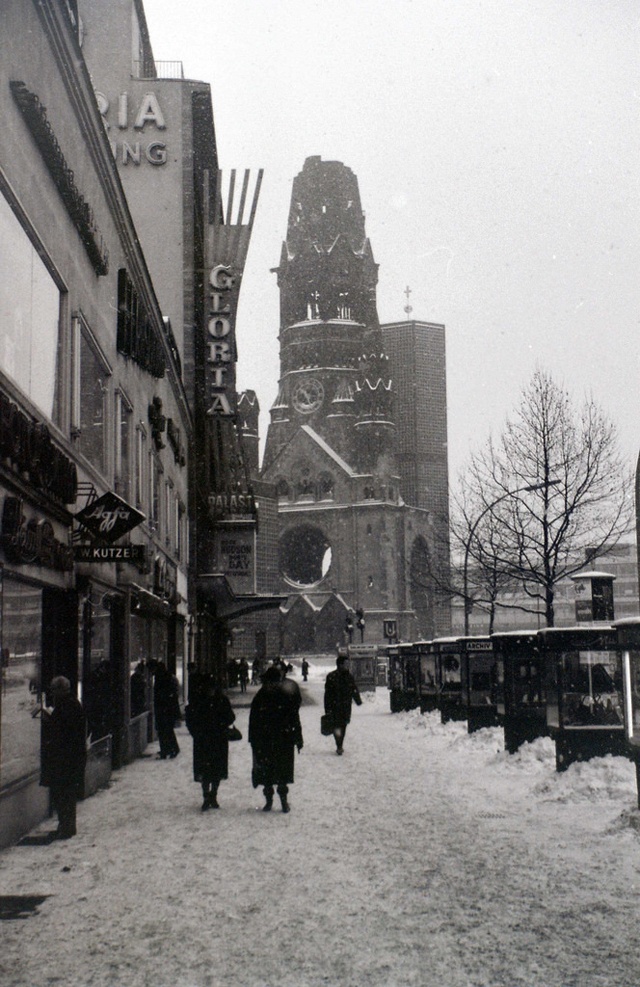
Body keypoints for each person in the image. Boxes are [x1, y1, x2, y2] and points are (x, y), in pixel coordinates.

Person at [249, 666, 303, 812]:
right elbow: (254, 721)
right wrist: (298, 737)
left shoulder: (268, 696)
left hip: (274, 740)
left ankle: (277, 802)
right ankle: (276, 802)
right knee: (274, 774)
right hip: (275, 740)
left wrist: (298, 738)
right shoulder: (269, 697)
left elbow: (294, 718)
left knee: (276, 774)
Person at [40, 676, 87, 839]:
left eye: (54, 690)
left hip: (65, 759)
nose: (52, 693)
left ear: (60, 690)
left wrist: (49, 720)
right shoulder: (73, 704)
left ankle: (66, 827)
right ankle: (67, 826)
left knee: (63, 794)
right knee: (67, 794)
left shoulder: (66, 707)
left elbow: (62, 731)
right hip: (72, 758)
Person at [185, 678, 236, 810]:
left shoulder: (204, 701)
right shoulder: (216, 701)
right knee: (207, 770)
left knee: (214, 770)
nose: (211, 691)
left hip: (213, 740)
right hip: (208, 740)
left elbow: (231, 717)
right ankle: (207, 796)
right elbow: (190, 719)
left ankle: (213, 795)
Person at [324, 655, 362, 755]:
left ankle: (340, 742)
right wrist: (327, 708)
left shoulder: (349, 677)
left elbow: (354, 689)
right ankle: (339, 745)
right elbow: (327, 694)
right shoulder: (332, 676)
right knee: (337, 726)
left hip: (345, 706)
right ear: (340, 665)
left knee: (343, 726)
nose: (348, 666)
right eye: (346, 664)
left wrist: (358, 700)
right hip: (335, 706)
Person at [152, 661, 181, 759]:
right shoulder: (167, 677)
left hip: (164, 709)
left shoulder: (161, 678)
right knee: (167, 730)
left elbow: (162, 695)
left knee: (164, 730)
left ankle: (167, 749)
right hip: (167, 709)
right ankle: (171, 749)